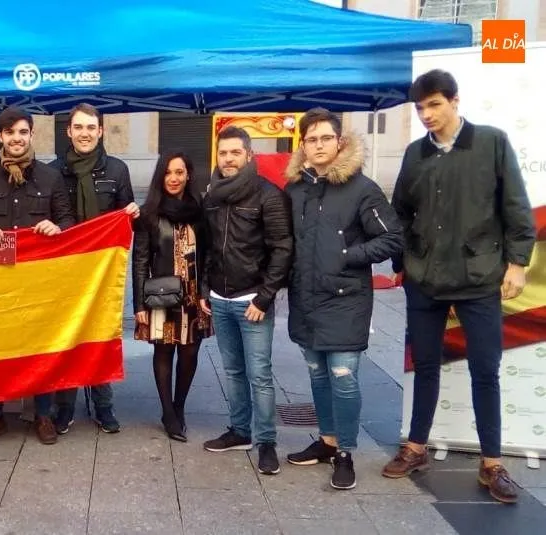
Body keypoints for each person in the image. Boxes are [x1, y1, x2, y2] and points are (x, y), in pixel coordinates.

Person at [384, 70, 534, 504]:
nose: (427, 114)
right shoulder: (415, 154)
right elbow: (400, 213)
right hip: (424, 280)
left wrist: (517, 264)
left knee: (485, 369)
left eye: (434, 104)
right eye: (420, 108)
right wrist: (402, 263)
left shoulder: (491, 142)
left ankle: (492, 464)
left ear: (454, 101)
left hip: (479, 277)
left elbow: (516, 207)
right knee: (424, 365)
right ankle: (416, 448)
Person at [282, 108, 403, 490]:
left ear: (339, 141)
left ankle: (346, 452)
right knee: (317, 374)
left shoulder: (361, 188)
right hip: (306, 298)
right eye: (311, 139)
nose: (319, 145)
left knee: (343, 376)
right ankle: (328, 441)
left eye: (325, 138)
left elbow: (393, 238)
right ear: (303, 145)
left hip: (346, 299)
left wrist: (348, 255)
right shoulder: (295, 189)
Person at [0, 106, 75, 445]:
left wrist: (57, 226)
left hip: (39, 282)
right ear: (0, 136)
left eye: (23, 132)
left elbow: (68, 219)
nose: (17, 138)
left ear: (31, 134)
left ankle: (43, 414)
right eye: (10, 132)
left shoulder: (50, 177)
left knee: (41, 348)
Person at [198, 127, 293, 476]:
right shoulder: (212, 195)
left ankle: (266, 441)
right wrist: (205, 289)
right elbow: (208, 247)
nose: (228, 159)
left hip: (252, 301)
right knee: (233, 371)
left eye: (235, 153)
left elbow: (283, 249)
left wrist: (265, 298)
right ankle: (240, 431)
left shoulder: (269, 195)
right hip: (219, 299)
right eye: (223, 153)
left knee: (260, 375)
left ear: (249, 155)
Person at [49, 103, 140, 434]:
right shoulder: (53, 171)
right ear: (69, 131)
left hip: (101, 272)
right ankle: (65, 407)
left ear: (100, 131)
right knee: (67, 337)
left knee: (101, 336)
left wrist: (131, 213)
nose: (84, 133)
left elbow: (126, 218)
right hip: (65, 271)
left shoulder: (117, 170)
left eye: (91, 127)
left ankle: (104, 406)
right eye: (79, 127)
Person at [132, 150, 208, 443]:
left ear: (188, 175)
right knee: (163, 352)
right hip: (161, 296)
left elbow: (210, 255)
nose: (173, 178)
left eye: (179, 172)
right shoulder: (148, 214)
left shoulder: (201, 210)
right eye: (167, 172)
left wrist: (207, 291)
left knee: (190, 353)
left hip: (194, 296)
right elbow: (140, 260)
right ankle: (167, 412)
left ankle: (179, 407)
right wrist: (138, 303)